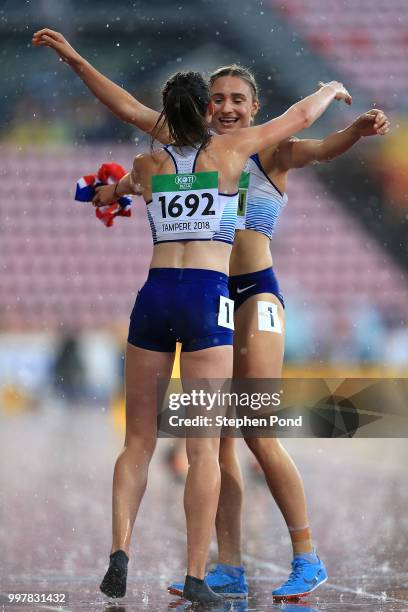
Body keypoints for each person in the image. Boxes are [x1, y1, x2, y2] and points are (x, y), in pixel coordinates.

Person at [32, 29, 388, 602]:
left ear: (253, 108)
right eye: (217, 98)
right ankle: (228, 564)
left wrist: (352, 125)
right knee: (215, 444)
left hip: (256, 297)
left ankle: (307, 554)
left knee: (257, 432)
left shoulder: (266, 149)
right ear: (204, 105)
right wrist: (78, 64)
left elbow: (321, 145)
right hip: (210, 297)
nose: (225, 107)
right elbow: (123, 104)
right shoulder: (182, 141)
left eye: (237, 100)